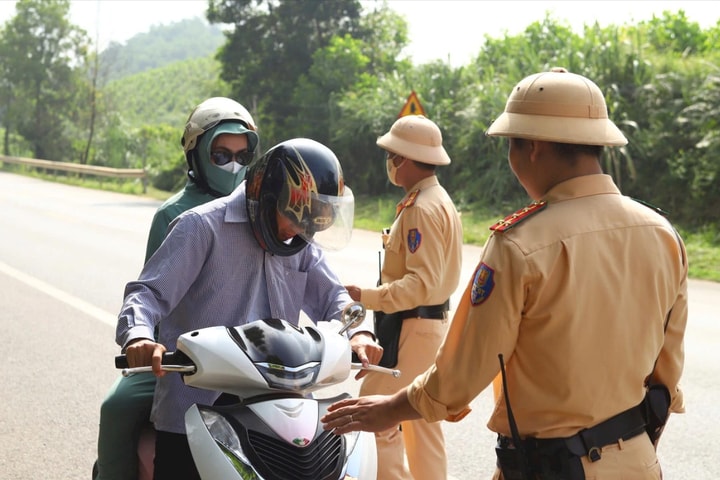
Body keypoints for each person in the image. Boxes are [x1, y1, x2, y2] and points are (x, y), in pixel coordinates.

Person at [322, 68, 688, 479]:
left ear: (531, 146)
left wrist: (388, 409)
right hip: (639, 462)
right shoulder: (663, 234)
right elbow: (666, 378)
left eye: (510, 146)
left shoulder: (520, 243)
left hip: (549, 467)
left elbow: (461, 375)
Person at [116, 137, 383, 479]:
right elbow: (147, 293)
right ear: (266, 196)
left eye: (309, 225)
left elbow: (335, 298)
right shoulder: (201, 226)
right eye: (292, 219)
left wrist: (359, 333)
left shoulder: (300, 241)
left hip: (274, 413)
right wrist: (138, 335)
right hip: (196, 411)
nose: (296, 233)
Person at [95, 97, 259, 480]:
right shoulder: (176, 216)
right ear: (197, 155)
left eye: (241, 155)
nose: (233, 165)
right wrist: (143, 341)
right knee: (116, 409)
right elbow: (152, 295)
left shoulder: (261, 210)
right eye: (221, 155)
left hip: (253, 362)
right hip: (185, 361)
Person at [343, 114, 463, 480]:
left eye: (392, 155)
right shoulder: (435, 199)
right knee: (421, 419)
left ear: (406, 160)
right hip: (425, 326)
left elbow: (420, 284)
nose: (390, 163)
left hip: (413, 327)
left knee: (372, 413)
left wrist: (366, 297)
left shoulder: (422, 209)